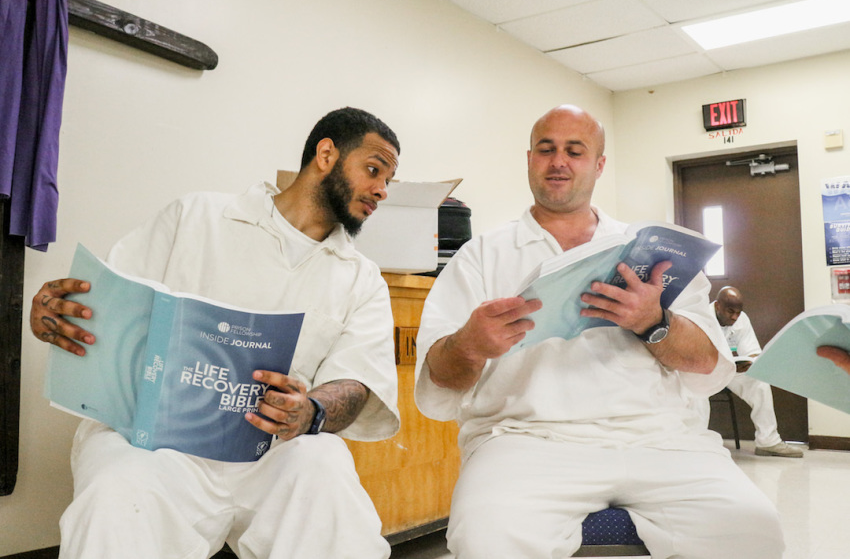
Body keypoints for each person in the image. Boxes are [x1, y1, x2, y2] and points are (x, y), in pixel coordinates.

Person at [414, 104, 784, 558]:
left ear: (599, 164)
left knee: (754, 528)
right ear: (529, 158)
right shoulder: (482, 256)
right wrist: (469, 345)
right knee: (486, 538)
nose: (559, 162)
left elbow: (710, 367)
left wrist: (654, 322)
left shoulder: (654, 252)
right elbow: (437, 388)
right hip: (527, 442)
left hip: (662, 439)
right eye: (546, 149)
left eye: (576, 150)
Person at [30, 107, 402, 559]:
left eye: (387, 181)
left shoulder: (361, 278)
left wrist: (310, 410)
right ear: (326, 154)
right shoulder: (197, 216)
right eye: (374, 170)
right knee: (117, 493)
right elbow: (107, 308)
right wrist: (59, 314)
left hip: (274, 450)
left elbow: (359, 382)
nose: (381, 190)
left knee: (325, 469)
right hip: (158, 445)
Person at [711, 286, 803, 457]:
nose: (734, 317)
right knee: (689, 390)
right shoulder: (700, 317)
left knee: (758, 382)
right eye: (730, 311)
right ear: (717, 306)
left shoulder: (741, 319)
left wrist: (750, 363)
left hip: (728, 370)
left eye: (738, 312)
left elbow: (752, 351)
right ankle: (692, 443)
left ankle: (768, 442)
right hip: (701, 371)